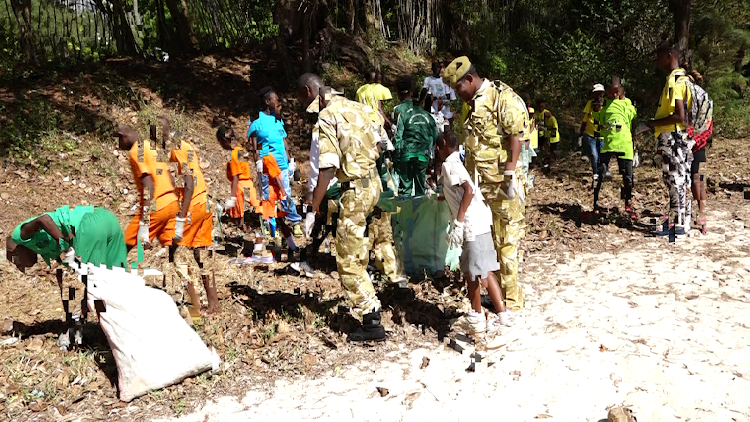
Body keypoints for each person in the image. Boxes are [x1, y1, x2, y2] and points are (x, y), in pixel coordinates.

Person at [298, 74, 387, 342]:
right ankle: (370, 301)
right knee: (357, 249)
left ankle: (371, 321)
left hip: (356, 191)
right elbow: (382, 144)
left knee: (347, 259)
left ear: (308, 92)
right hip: (373, 184)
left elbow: (326, 167)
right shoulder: (359, 107)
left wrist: (313, 209)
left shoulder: (327, 117)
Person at [443, 56, 529, 313]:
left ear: (469, 79)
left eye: (458, 87)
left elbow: (515, 134)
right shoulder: (471, 105)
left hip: (504, 185)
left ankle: (512, 303)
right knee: (492, 242)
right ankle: (500, 294)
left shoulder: (500, 97)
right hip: (482, 190)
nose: (458, 94)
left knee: (508, 242)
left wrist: (511, 172)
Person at [435, 131, 511, 337]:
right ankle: (503, 315)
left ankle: (476, 316)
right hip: (482, 222)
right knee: (485, 271)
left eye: (437, 147)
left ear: (442, 144)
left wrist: (458, 222)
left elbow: (467, 191)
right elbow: (463, 191)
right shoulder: (459, 162)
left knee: (471, 273)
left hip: (471, 226)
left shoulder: (449, 165)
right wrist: (444, 197)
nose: (436, 151)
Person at [647, 44, 694, 238]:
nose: (658, 62)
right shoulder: (685, 79)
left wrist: (653, 124)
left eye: (659, 57)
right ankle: (684, 221)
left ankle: (677, 226)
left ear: (669, 56)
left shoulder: (675, 81)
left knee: (674, 179)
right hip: (682, 137)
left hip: (672, 136)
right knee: (681, 178)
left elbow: (679, 116)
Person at [249, 87, 303, 237]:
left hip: (283, 165)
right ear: (268, 102)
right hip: (267, 164)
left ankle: (295, 222)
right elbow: (256, 146)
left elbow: (284, 142)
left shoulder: (277, 121)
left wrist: (291, 160)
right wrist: (258, 161)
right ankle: (268, 223)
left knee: (286, 192)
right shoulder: (257, 123)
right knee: (268, 194)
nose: (278, 102)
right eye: (276, 100)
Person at [116, 124, 180, 250]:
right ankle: (183, 268)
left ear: (123, 136)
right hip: (171, 202)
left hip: (156, 205)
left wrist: (144, 224)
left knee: (126, 243)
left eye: (118, 140)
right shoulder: (152, 146)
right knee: (171, 246)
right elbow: (171, 178)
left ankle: (111, 268)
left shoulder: (136, 151)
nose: (118, 145)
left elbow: (148, 186)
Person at [7, 205, 127, 272]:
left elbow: (44, 219)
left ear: (16, 252)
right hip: (107, 219)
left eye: (18, 262)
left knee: (99, 282)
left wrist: (66, 248)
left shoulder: (19, 236)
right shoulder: (42, 249)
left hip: (88, 226)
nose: (20, 265)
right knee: (117, 277)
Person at [593, 80, 638, 218]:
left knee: (628, 177)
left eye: (616, 91)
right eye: (611, 91)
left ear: (620, 92)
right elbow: (598, 121)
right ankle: (595, 203)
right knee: (599, 174)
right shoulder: (603, 104)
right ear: (606, 90)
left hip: (624, 143)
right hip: (607, 144)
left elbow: (633, 119)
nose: (614, 94)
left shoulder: (627, 103)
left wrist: (635, 144)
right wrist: (596, 111)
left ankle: (628, 202)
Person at [393, 76, 438, 197]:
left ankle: (404, 213)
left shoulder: (403, 115)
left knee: (405, 188)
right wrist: (428, 151)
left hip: (406, 155)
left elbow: (398, 137)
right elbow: (435, 136)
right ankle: (419, 213)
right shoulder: (428, 116)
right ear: (422, 101)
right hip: (423, 155)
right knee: (420, 188)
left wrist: (397, 155)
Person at [216, 125, 260, 232]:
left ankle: (241, 225)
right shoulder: (240, 149)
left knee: (239, 208)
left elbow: (235, 176)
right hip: (249, 184)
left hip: (240, 184)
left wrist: (232, 198)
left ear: (225, 140)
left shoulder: (233, 154)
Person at [683, 66, 711, 235]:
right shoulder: (682, 100)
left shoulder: (704, 101)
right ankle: (685, 212)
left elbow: (707, 128)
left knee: (697, 180)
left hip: (697, 146)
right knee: (684, 181)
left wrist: (695, 140)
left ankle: (702, 214)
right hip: (683, 145)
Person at [579, 84, 606, 182]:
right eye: (596, 93)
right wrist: (581, 133)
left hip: (602, 134)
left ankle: (601, 171)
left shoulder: (606, 104)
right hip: (591, 134)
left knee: (601, 154)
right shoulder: (590, 104)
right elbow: (585, 119)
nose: (598, 95)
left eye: (600, 93)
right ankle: (595, 173)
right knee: (594, 154)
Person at [423, 61, 457, 129]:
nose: (437, 69)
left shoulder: (445, 80)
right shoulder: (428, 80)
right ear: (432, 68)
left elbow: (449, 97)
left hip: (445, 113)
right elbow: (425, 95)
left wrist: (441, 100)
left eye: (439, 67)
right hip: (433, 113)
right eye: (435, 67)